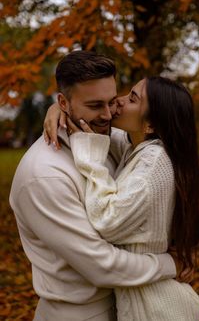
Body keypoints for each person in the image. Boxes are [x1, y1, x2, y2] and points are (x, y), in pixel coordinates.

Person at [10, 51, 186, 321]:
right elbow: (102, 266)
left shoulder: (103, 137)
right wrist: (171, 263)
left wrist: (61, 108)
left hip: (129, 305)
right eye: (95, 105)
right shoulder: (43, 176)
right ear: (64, 103)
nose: (108, 115)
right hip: (78, 314)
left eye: (112, 101)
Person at [44, 75, 199, 320]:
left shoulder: (154, 163)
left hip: (159, 309)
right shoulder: (137, 146)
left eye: (132, 99)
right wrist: (58, 107)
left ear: (151, 124)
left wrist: (90, 158)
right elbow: (94, 125)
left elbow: (107, 221)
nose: (118, 102)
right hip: (145, 301)